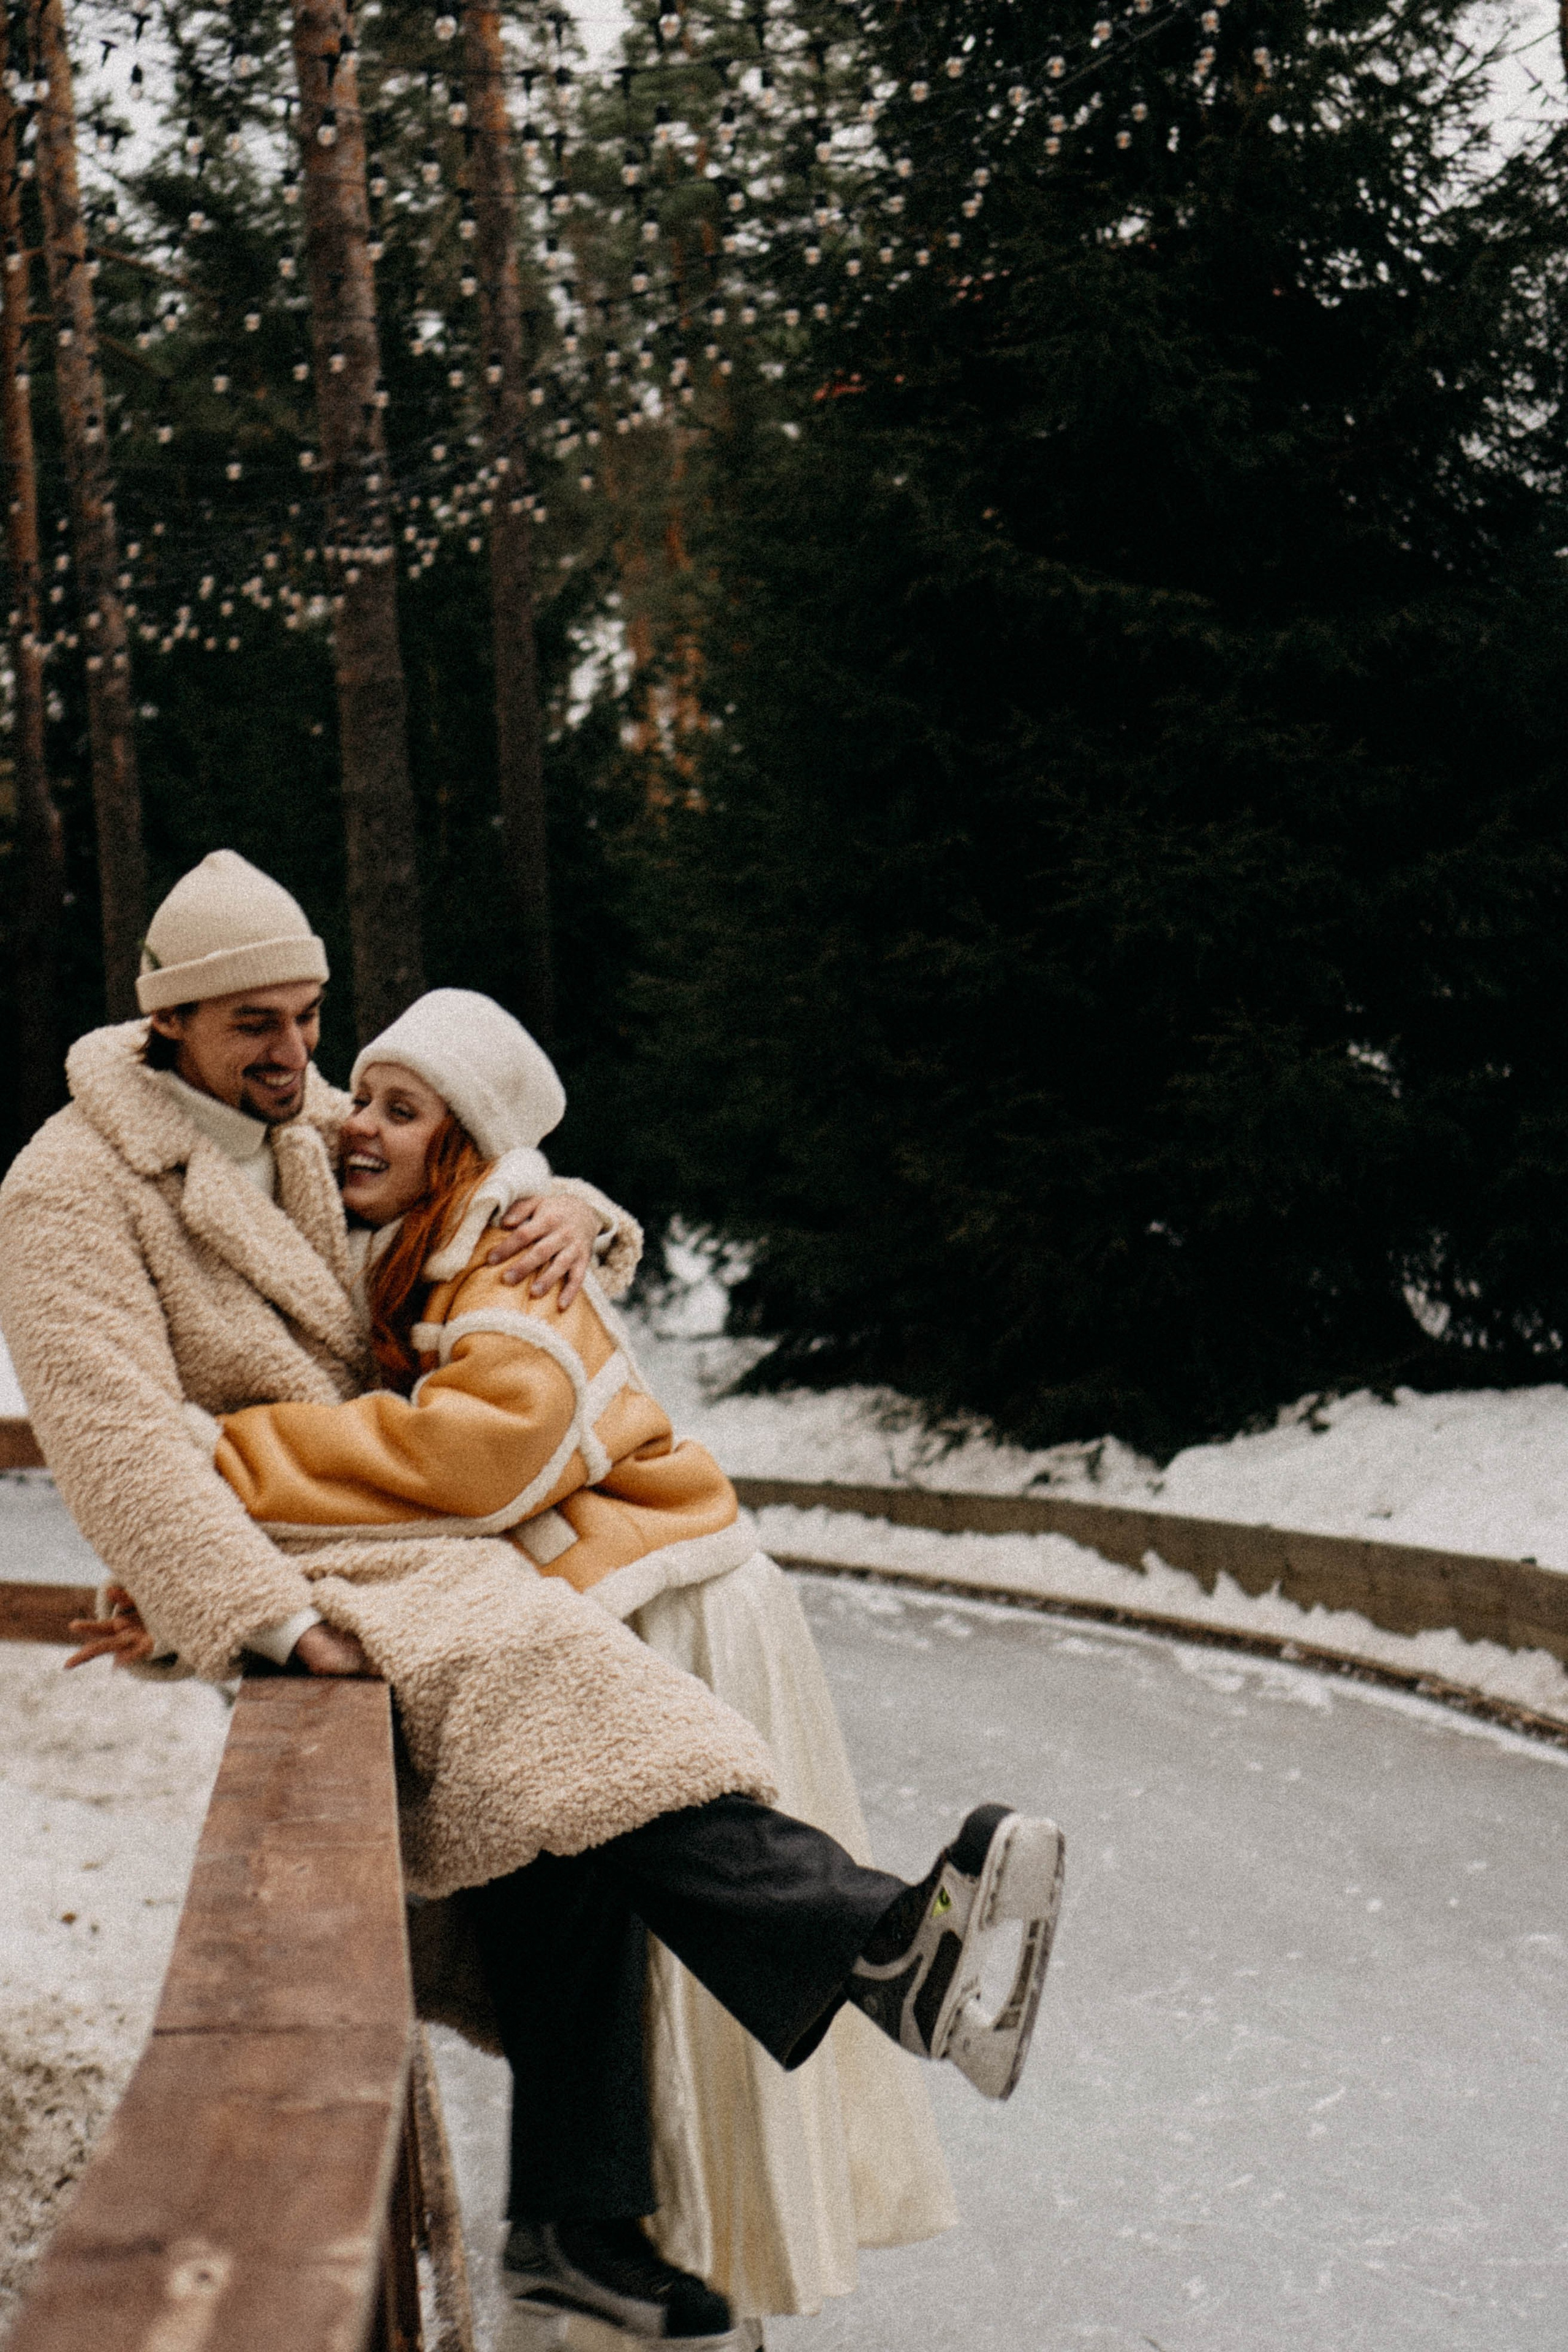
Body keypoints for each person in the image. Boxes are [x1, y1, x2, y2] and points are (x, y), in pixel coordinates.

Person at [4, 866, 1064, 2348]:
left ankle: (578, 2226)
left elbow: (463, 1163)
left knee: (551, 1816)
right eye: (257, 1025)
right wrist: (256, 1620)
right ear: (164, 1015)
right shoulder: (67, 1185)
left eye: (310, 1020)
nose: (297, 1060)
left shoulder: (292, 1120)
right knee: (546, 1678)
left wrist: (577, 1208)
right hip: (299, 1550)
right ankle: (870, 1947)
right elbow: (112, 1437)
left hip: (385, 1521)